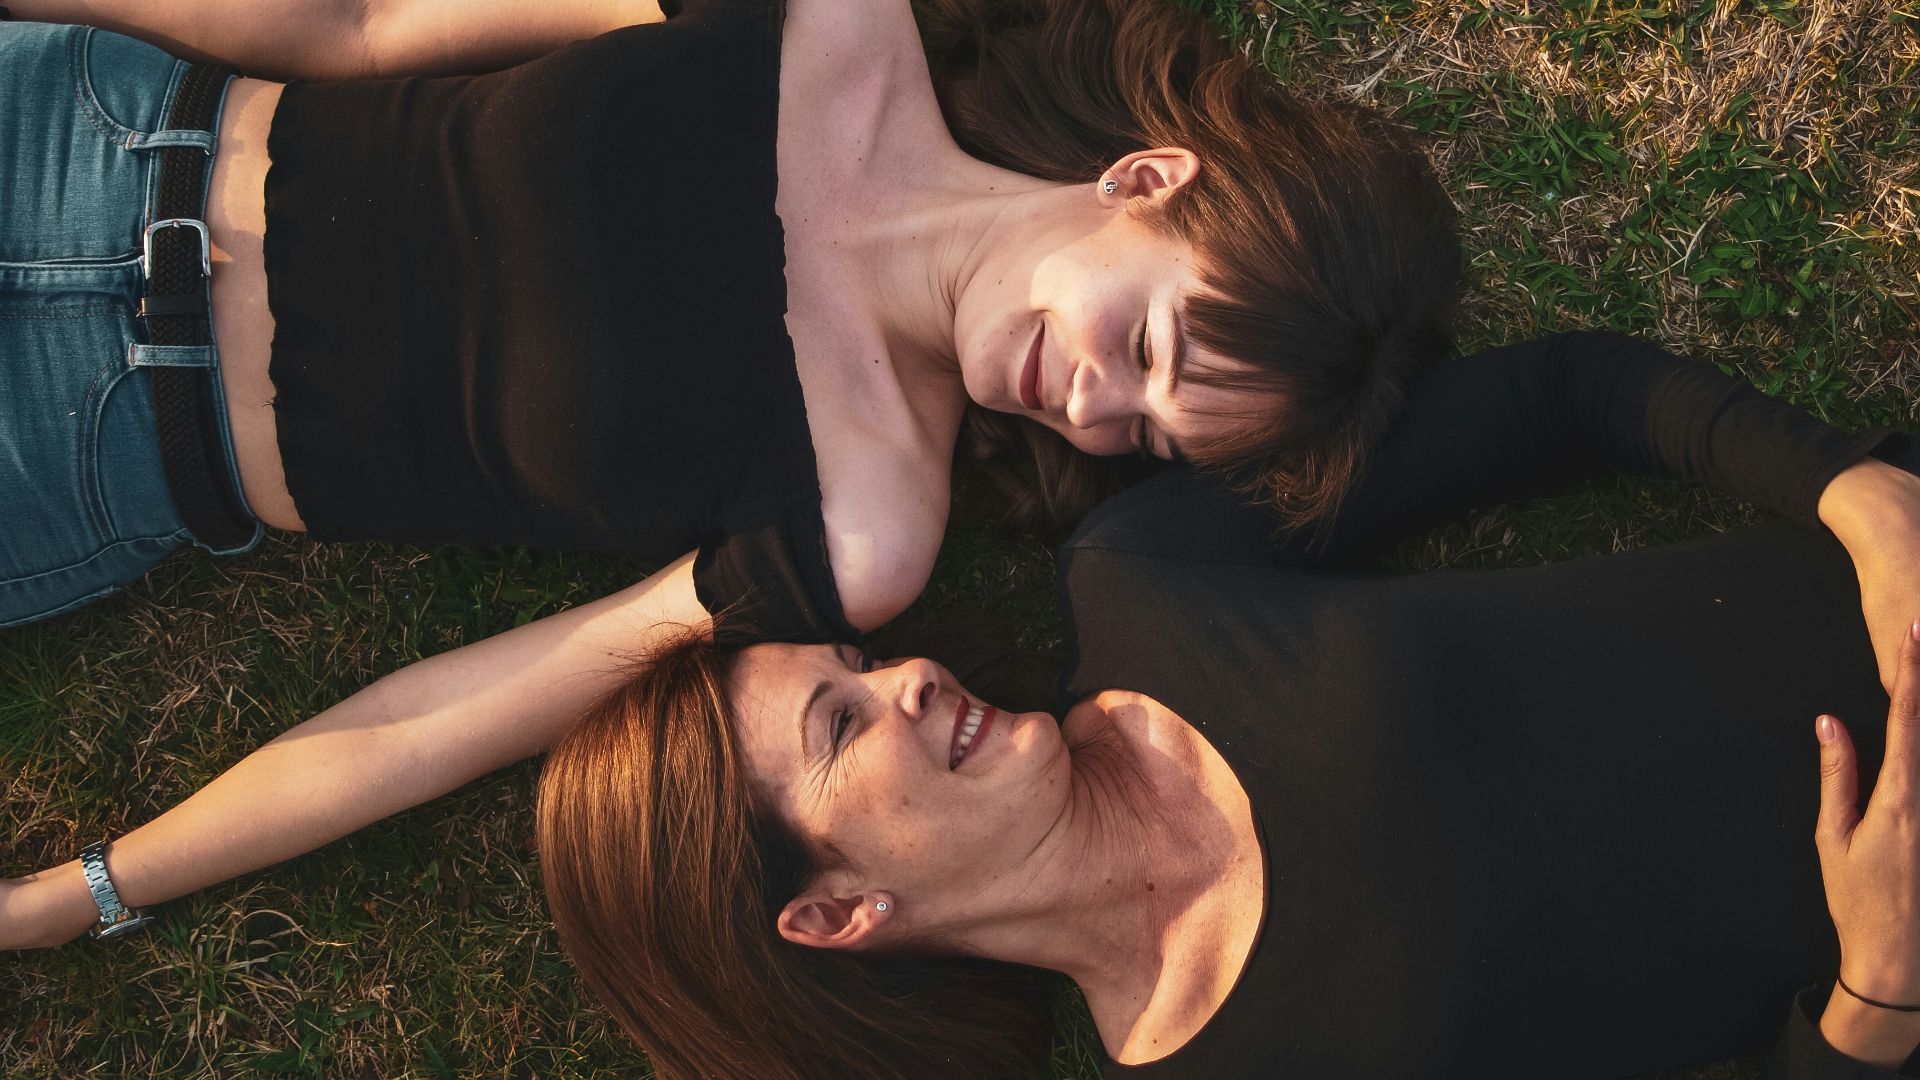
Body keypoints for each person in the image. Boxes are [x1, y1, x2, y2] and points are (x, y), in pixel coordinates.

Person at [531, 399, 1920, 1078]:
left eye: (864, 662)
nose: (912, 678)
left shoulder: (1141, 580)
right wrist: (1879, 998)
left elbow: (1560, 397)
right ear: (834, 912)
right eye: (843, 720)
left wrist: (1861, 500)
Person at [2, 0, 1459, 642]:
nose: (1092, 410)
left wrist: (89, 894)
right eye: (1145, 349)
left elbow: (460, 708)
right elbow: (362, 26)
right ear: (1144, 182)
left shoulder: (871, 529)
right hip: (83, 135)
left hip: (86, 453)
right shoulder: (825, 23)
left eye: (1143, 437)